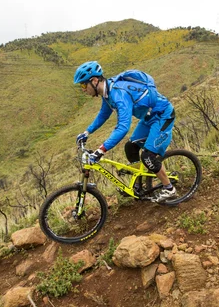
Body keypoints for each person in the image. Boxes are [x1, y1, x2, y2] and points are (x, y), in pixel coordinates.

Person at [74, 61, 177, 203]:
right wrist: (87, 132)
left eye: (84, 85)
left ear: (95, 81)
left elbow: (123, 127)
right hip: (148, 117)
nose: (83, 89)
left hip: (162, 116)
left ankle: (169, 188)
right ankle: (138, 184)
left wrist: (101, 150)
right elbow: (103, 114)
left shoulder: (118, 94)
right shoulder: (107, 91)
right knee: (131, 147)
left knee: (148, 156)